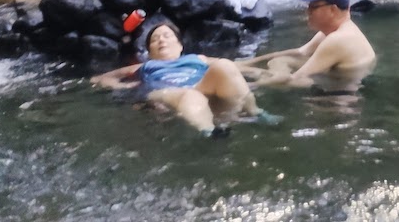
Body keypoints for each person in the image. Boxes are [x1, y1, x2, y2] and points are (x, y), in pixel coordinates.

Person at [91, 22, 270, 137]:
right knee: (189, 95)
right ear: (149, 51)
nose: (161, 40)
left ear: (180, 45)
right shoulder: (146, 66)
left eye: (167, 36)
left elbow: (234, 67)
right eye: (155, 39)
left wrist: (259, 72)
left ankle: (257, 113)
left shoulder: (197, 58)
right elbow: (100, 78)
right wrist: (125, 86)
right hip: (165, 92)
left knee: (224, 65)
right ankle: (210, 132)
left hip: (199, 86)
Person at [237, 0, 376, 91]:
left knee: (290, 77)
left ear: (333, 9)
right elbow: (300, 52)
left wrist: (252, 86)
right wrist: (247, 63)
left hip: (338, 92)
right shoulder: (336, 31)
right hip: (336, 78)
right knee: (279, 60)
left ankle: (250, 76)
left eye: (313, 7)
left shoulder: (338, 39)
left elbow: (297, 78)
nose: (307, 11)